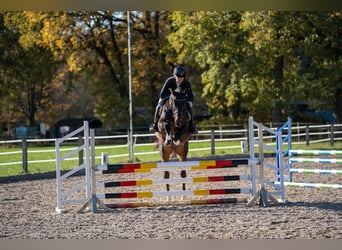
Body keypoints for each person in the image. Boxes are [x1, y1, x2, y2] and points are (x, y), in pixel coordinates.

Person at [150, 66, 198, 133]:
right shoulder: (169, 81)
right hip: (167, 98)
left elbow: (190, 96)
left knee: (190, 105)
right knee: (158, 106)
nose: (180, 79)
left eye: (182, 77)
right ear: (174, 76)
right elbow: (162, 94)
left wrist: (183, 98)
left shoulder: (186, 83)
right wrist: (172, 97)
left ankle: (192, 126)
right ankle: (155, 124)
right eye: (178, 77)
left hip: (181, 100)